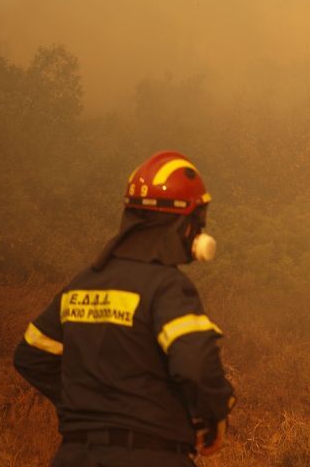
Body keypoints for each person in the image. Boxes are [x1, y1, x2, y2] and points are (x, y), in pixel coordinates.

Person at [14, 150, 236, 466]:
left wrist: (89, 408)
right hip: (151, 456)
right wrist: (213, 417)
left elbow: (32, 355)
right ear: (183, 223)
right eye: (198, 220)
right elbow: (195, 365)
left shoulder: (82, 284)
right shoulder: (168, 287)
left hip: (74, 457)